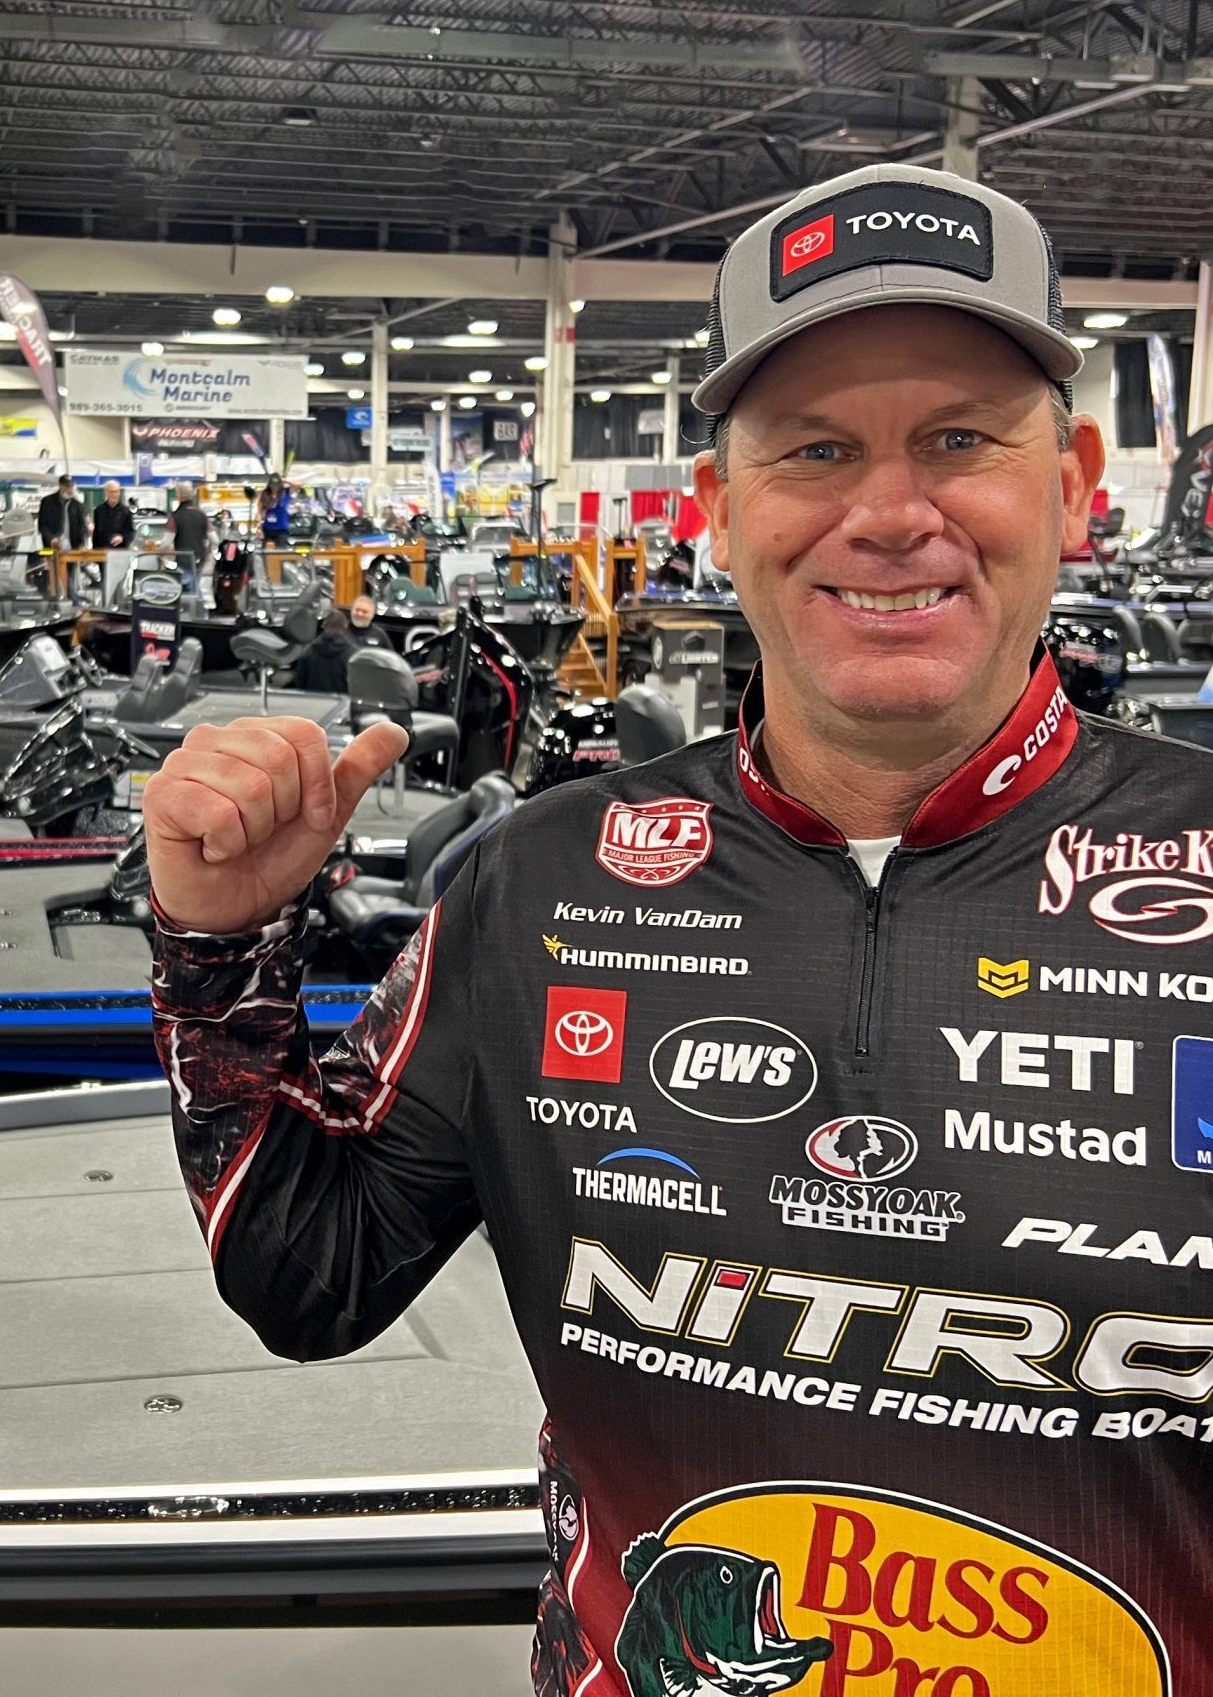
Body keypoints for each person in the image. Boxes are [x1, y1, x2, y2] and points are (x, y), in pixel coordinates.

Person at [141, 165, 1213, 1689]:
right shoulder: (536, 885)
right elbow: (308, 1273)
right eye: (815, 449)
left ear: (1075, 481)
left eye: (961, 440)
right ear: (719, 509)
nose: (889, 515)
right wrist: (218, 952)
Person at [33, 474, 87, 597]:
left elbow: (82, 528)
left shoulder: (78, 506)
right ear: (61, 486)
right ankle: (63, 600)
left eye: (71, 486)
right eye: (67, 486)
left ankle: (70, 601)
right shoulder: (47, 502)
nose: (70, 489)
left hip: (72, 549)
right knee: (55, 578)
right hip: (52, 549)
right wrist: (51, 538)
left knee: (69, 576)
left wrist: (82, 544)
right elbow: (42, 526)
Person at [290, 605, 358, 693]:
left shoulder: (308, 652)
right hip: (341, 700)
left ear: (324, 626)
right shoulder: (352, 655)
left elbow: (300, 683)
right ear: (345, 627)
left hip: (314, 700)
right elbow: (357, 686)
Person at [168, 480, 209, 590]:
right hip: (199, 559)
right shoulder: (202, 515)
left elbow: (166, 543)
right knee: (195, 587)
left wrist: (161, 553)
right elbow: (214, 539)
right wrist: (208, 552)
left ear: (179, 496)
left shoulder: (175, 517)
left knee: (187, 589)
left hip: (183, 560)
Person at [258, 476, 290, 582]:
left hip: (281, 529)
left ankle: (283, 578)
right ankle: (266, 577)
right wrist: (259, 527)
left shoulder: (285, 493)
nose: (274, 487)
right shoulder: (265, 494)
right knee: (264, 554)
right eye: (272, 485)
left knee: (282, 554)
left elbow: (298, 485)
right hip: (268, 528)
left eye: (277, 485)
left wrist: (285, 480)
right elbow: (260, 511)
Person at [91, 480, 134, 550]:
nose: (114, 494)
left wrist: (122, 538)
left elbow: (130, 532)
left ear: (119, 493)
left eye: (116, 491)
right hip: (102, 550)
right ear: (106, 492)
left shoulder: (126, 511)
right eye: (111, 491)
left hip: (120, 550)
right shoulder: (99, 511)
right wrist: (94, 550)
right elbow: (96, 533)